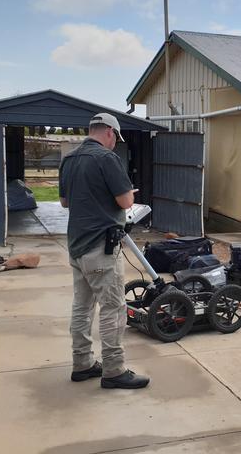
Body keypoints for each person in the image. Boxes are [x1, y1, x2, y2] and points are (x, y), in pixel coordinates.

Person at [59, 112, 149, 389]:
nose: (115, 144)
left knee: (82, 307)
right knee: (113, 307)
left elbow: (64, 202)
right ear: (109, 132)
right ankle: (114, 370)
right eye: (116, 138)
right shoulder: (107, 159)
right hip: (101, 247)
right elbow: (124, 201)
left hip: (76, 246)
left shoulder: (69, 159)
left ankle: (82, 363)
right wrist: (129, 193)